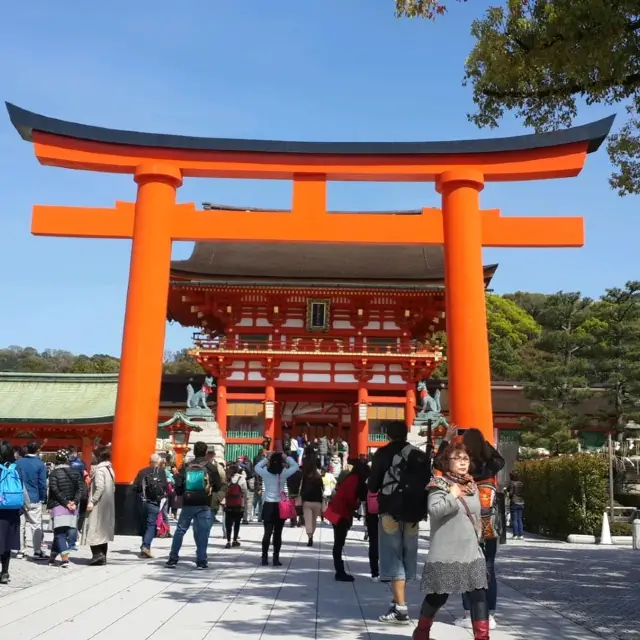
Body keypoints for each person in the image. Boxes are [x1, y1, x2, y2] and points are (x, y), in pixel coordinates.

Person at [414, 440, 490, 640]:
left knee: (479, 594)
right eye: (457, 459)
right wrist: (452, 496)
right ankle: (421, 633)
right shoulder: (439, 485)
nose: (462, 462)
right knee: (438, 596)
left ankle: (482, 637)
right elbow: (435, 511)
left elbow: (475, 516)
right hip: (446, 552)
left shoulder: (472, 485)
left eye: (465, 458)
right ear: (446, 462)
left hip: (471, 550)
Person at [436, 426, 505, 631]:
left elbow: (437, 462)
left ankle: (470, 613)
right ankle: (489, 615)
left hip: (467, 526)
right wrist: (483, 443)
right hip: (489, 525)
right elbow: (498, 458)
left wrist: (448, 440)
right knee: (489, 567)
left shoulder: (463, 470)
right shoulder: (492, 466)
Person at [368, 420, 431, 624]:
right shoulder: (419, 454)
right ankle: (397, 601)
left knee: (393, 556)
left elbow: (373, 485)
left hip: (390, 510)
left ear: (388, 435)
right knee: (407, 554)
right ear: (406, 434)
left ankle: (401, 609)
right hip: (414, 512)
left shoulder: (382, 454)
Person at [166, 441, 222, 569]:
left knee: (180, 530)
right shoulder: (210, 467)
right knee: (203, 532)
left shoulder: (186, 466)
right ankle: (201, 561)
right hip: (204, 503)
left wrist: (182, 494)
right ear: (206, 451)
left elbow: (178, 485)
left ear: (194, 451)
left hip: (188, 502)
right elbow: (218, 485)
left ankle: (173, 559)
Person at [324, 460, 369, 582]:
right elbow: (349, 499)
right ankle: (339, 571)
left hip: (336, 512)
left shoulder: (350, 478)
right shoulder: (355, 480)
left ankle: (339, 570)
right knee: (339, 543)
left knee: (338, 543)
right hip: (340, 514)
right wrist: (356, 505)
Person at [254, 451, 299, 567]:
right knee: (278, 533)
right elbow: (295, 466)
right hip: (280, 506)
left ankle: (264, 558)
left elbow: (257, 467)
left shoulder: (265, 473)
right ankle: (276, 558)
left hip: (268, 505)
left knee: (267, 533)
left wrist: (266, 458)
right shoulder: (283, 473)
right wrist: (287, 457)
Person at [47, 450, 83, 568]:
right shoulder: (76, 472)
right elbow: (80, 489)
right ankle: (52, 557)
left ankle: (64, 559)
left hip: (58, 505)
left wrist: (65, 502)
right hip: (73, 507)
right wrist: (74, 502)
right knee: (62, 532)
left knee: (59, 533)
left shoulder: (54, 473)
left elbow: (54, 490)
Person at [132, 453, 169, 559]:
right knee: (151, 524)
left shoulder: (142, 472)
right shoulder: (161, 471)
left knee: (144, 524)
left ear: (149, 461)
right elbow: (165, 486)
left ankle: (144, 547)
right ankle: (146, 546)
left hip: (142, 502)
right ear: (158, 462)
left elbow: (135, 487)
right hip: (154, 502)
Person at [15, 440, 47, 559]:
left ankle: (20, 550)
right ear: (38, 450)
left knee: (20, 525)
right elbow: (42, 483)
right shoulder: (40, 465)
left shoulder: (18, 463)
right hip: (34, 497)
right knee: (35, 525)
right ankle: (37, 550)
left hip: (19, 498)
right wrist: (43, 497)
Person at [85, 446, 115, 566]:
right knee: (103, 531)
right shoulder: (110, 469)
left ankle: (97, 555)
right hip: (107, 503)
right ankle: (103, 555)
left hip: (99, 504)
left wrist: (92, 501)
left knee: (94, 528)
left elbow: (100, 487)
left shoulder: (99, 470)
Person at [0, 441, 24, 584]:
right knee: (7, 543)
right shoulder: (16, 468)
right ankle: (5, 572)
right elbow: (22, 488)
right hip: (13, 509)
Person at [300, 451, 324, 546]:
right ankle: (312, 534)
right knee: (314, 520)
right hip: (317, 501)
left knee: (308, 519)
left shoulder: (305, 476)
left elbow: (302, 488)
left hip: (307, 501)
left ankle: (309, 536)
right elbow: (322, 488)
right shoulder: (318, 477)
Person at [223, 463, 247, 548]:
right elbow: (244, 492)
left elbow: (224, 491)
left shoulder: (227, 479)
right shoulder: (241, 478)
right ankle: (235, 540)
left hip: (228, 504)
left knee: (228, 524)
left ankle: (228, 541)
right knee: (237, 523)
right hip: (238, 504)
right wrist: (244, 504)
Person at [507, 471, 525, 540]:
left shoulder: (512, 483)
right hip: (521, 502)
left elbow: (511, 493)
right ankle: (521, 535)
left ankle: (515, 535)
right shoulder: (521, 483)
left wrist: (506, 491)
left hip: (514, 502)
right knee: (520, 519)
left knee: (514, 519)